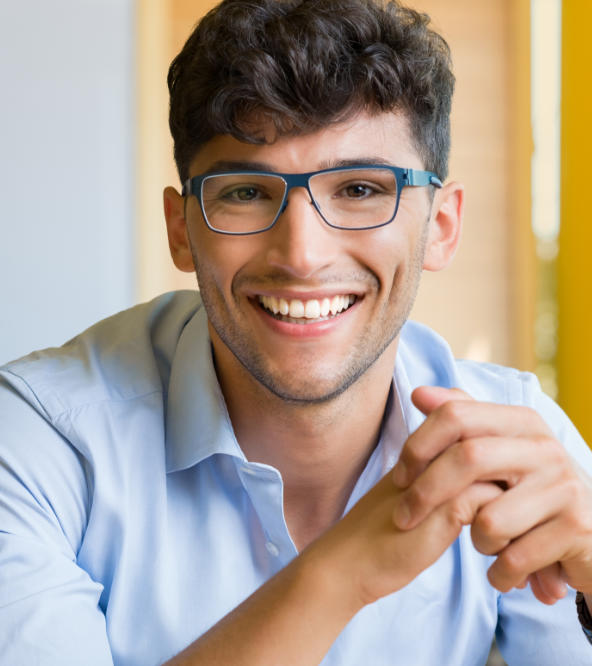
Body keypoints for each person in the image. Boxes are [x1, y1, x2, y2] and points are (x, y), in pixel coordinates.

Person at [1, 0, 592, 663]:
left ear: (442, 226)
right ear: (180, 228)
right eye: (246, 192)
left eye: (362, 190)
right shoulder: (36, 441)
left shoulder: (516, 438)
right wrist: (344, 573)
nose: (304, 255)